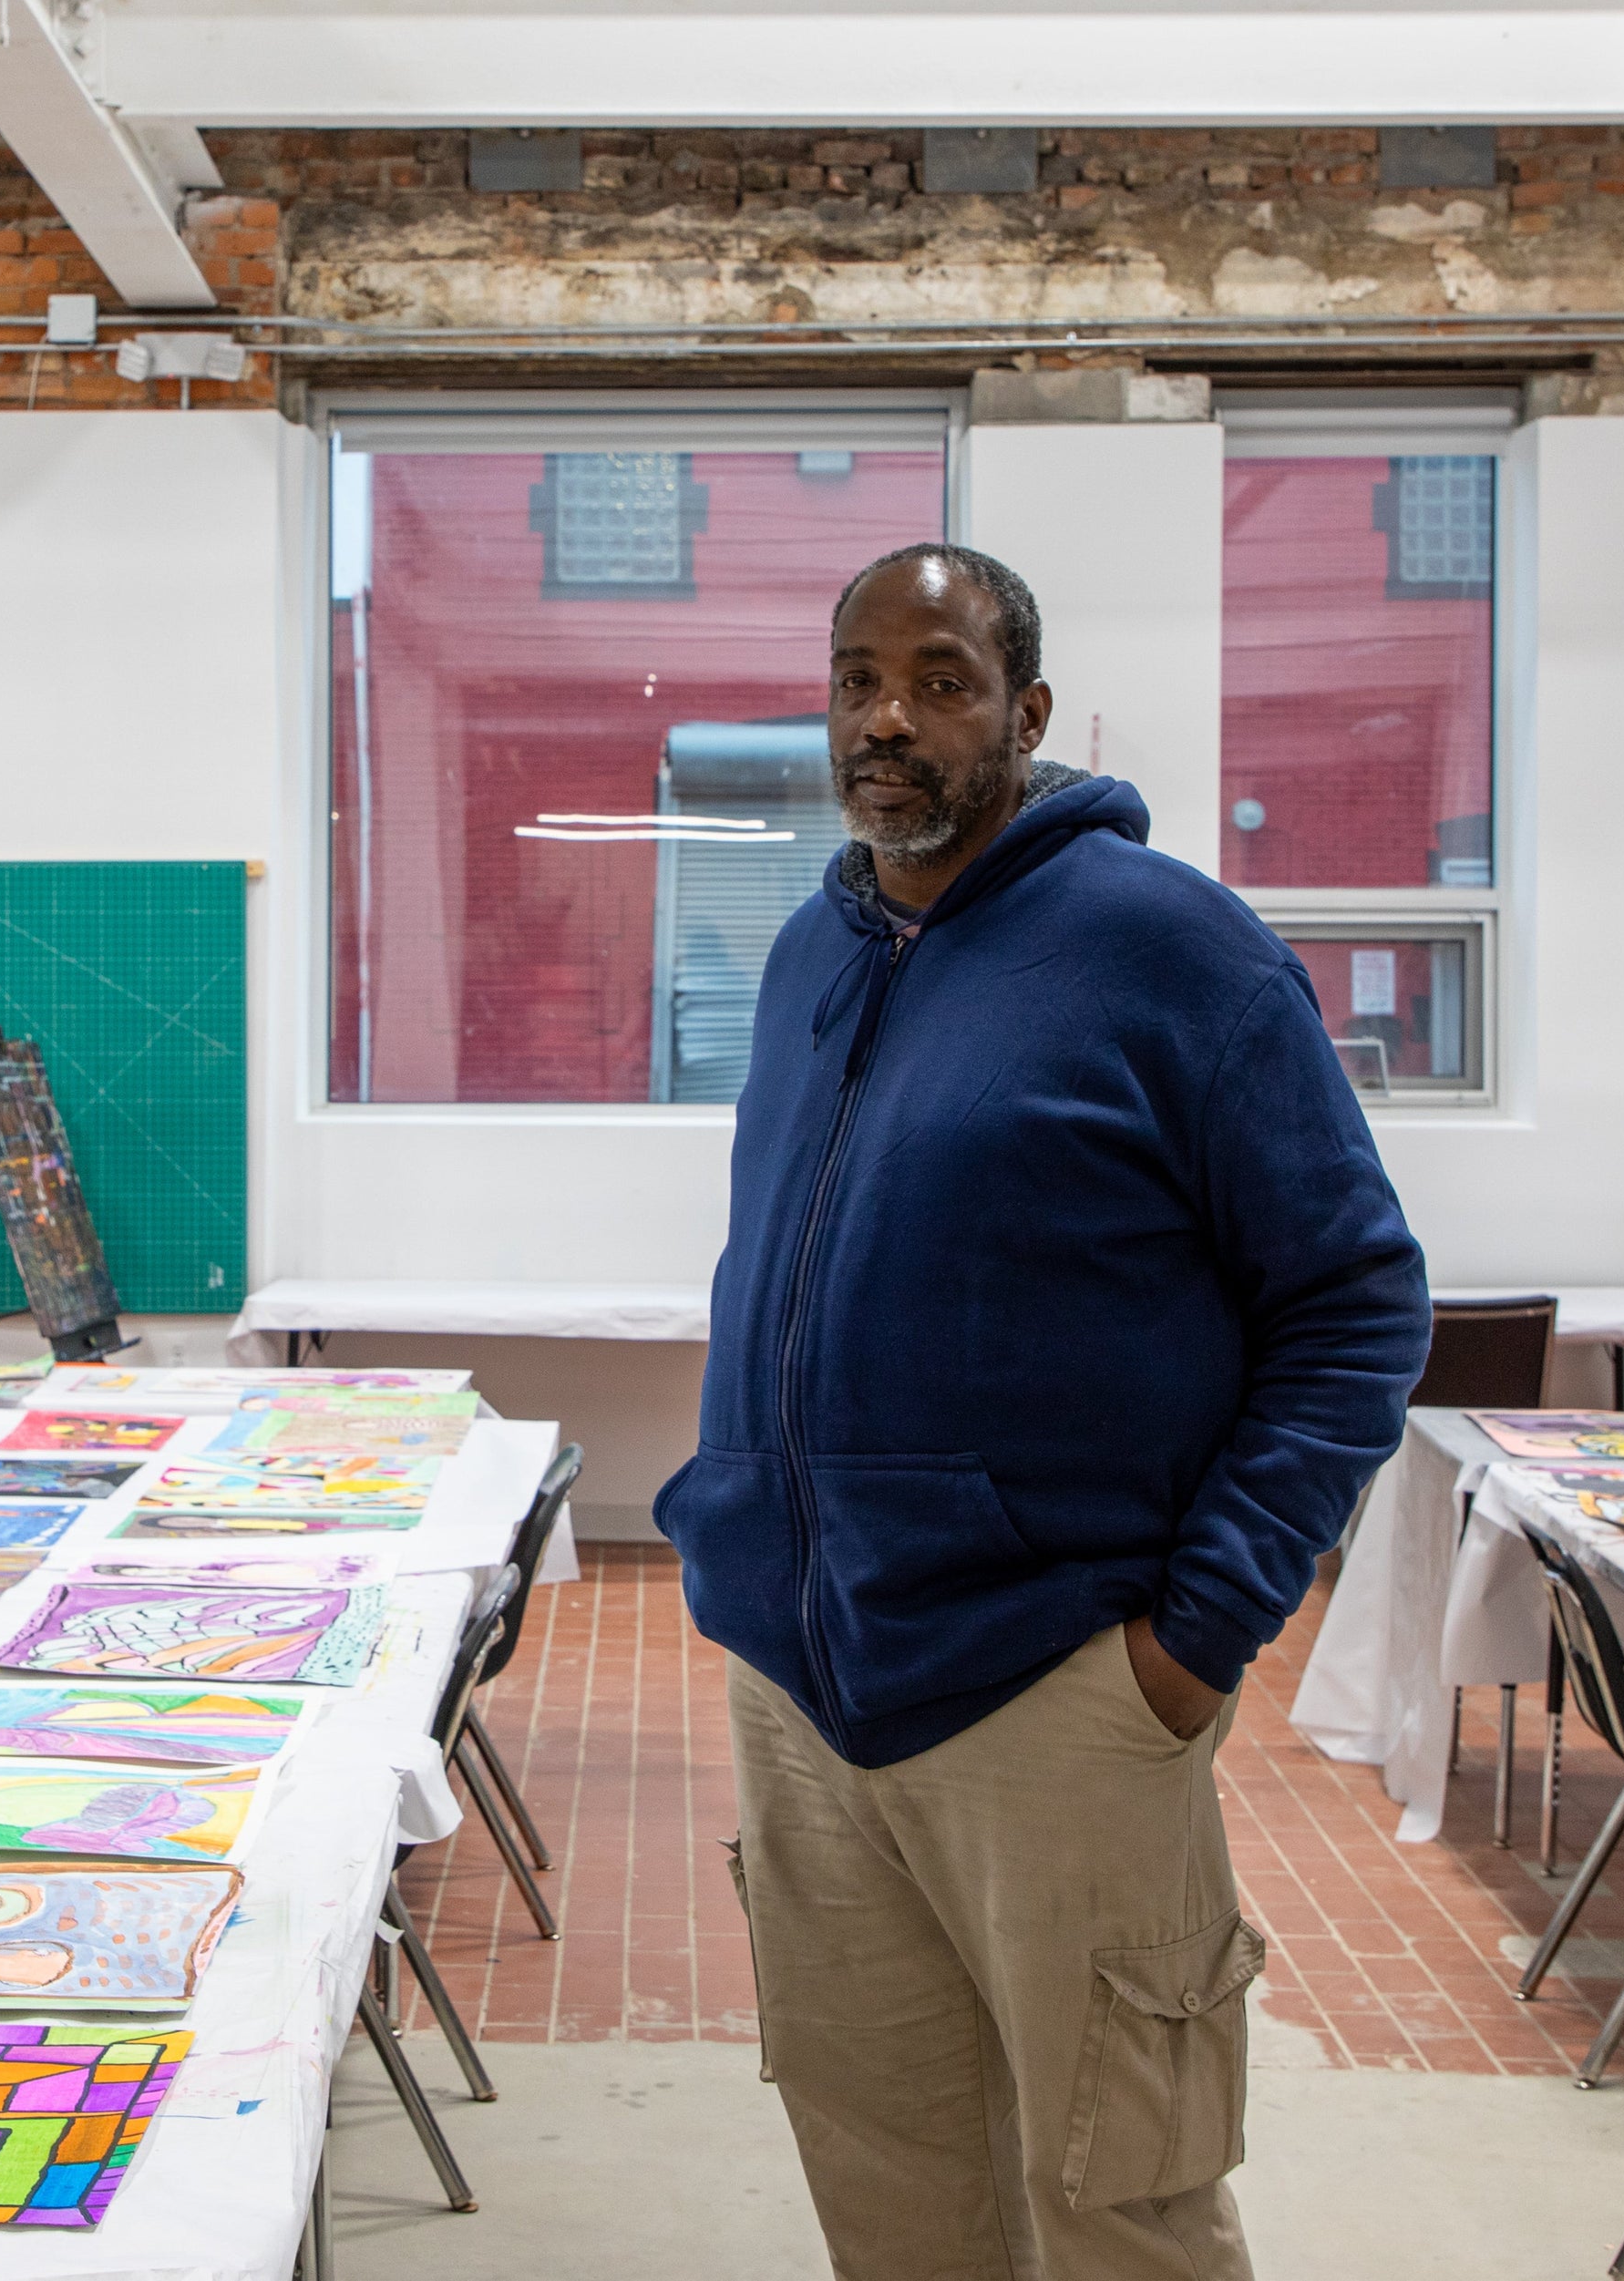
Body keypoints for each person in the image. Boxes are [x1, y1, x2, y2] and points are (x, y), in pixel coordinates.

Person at [656, 541, 1428, 2281]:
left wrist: (1200, 1632)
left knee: (1118, 2204)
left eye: (939, 679)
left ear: (1028, 711)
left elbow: (1356, 1299)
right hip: (804, 1689)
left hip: (1055, 1686)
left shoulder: (1171, 951)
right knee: (893, 2189)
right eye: (859, 679)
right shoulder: (810, 954)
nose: (888, 720)